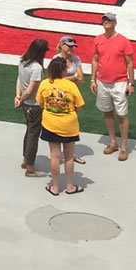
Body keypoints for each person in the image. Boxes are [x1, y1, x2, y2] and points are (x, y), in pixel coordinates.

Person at [37, 56, 86, 197]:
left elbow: (40, 103)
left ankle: (55, 186)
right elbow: (79, 107)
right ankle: (70, 186)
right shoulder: (71, 86)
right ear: (63, 71)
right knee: (69, 156)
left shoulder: (45, 84)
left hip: (50, 124)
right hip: (69, 125)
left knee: (55, 156)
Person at [91, 12, 135, 161]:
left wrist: (130, 83)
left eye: (109, 20)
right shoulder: (98, 40)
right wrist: (92, 80)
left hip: (119, 82)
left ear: (115, 23)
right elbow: (95, 60)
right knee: (107, 112)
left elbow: (129, 63)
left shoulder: (123, 41)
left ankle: (123, 147)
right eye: (104, 20)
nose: (106, 22)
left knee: (122, 115)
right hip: (102, 82)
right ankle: (112, 142)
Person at [14, 37, 48, 177]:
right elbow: (31, 90)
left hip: (26, 105)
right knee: (33, 134)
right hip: (34, 105)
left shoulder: (22, 60)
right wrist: (22, 98)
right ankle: (30, 167)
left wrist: (17, 97)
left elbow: (19, 80)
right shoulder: (37, 68)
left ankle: (25, 159)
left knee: (29, 131)